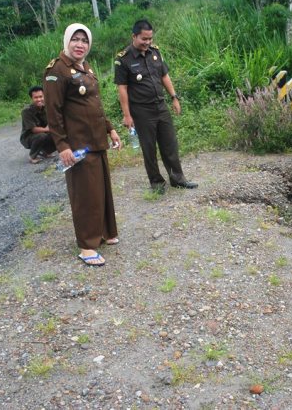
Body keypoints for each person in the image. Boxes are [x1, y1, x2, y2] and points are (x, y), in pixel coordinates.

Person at [43, 23, 121, 267]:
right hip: (77, 144)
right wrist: (62, 145)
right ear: (67, 41)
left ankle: (104, 232)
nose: (80, 44)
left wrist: (110, 129)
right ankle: (87, 246)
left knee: (101, 189)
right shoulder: (57, 70)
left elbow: (95, 104)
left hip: (96, 139)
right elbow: (53, 112)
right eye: (75, 39)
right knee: (85, 194)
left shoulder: (85, 67)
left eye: (84, 40)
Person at [114, 19, 197, 194]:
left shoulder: (155, 53)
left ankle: (178, 179)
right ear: (134, 36)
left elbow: (164, 76)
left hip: (160, 106)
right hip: (142, 111)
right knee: (149, 147)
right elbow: (122, 89)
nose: (148, 42)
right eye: (144, 39)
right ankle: (157, 182)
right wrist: (127, 115)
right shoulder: (123, 59)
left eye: (150, 38)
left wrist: (174, 97)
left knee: (170, 144)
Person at [20, 86, 56, 164]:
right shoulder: (26, 111)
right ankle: (32, 156)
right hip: (28, 137)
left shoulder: (46, 108)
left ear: (44, 96)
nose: (39, 99)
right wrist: (47, 129)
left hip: (43, 133)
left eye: (40, 96)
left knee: (57, 133)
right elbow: (33, 129)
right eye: (36, 97)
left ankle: (45, 152)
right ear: (32, 98)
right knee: (42, 136)